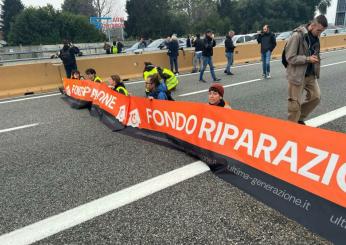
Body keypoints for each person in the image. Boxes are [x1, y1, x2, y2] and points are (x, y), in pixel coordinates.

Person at [285, 15, 328, 125]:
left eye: (322, 31)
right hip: (297, 75)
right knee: (294, 105)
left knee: (316, 97)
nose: (320, 33)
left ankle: (299, 118)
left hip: (310, 75)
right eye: (319, 30)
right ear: (312, 25)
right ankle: (291, 127)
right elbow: (290, 57)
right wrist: (307, 59)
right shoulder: (297, 36)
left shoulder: (316, 36)